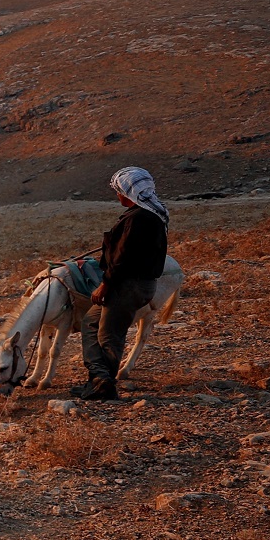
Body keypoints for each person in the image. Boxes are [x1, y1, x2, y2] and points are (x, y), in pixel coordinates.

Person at [77, 166, 168, 400]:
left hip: (127, 285)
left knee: (109, 336)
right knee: (90, 323)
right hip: (135, 284)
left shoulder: (139, 219)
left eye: (120, 191)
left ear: (130, 193)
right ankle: (98, 378)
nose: (117, 196)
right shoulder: (151, 215)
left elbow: (123, 258)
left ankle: (104, 386)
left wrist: (105, 284)